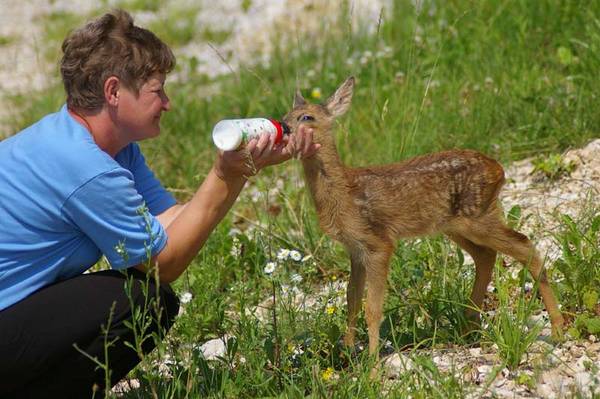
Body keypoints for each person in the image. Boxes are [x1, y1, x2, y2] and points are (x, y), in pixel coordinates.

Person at [0, 9, 318, 397]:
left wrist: (245, 163)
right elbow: (162, 265)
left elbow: (166, 222)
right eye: (157, 90)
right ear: (114, 92)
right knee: (144, 302)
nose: (166, 103)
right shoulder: (86, 168)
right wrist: (227, 175)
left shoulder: (98, 145)